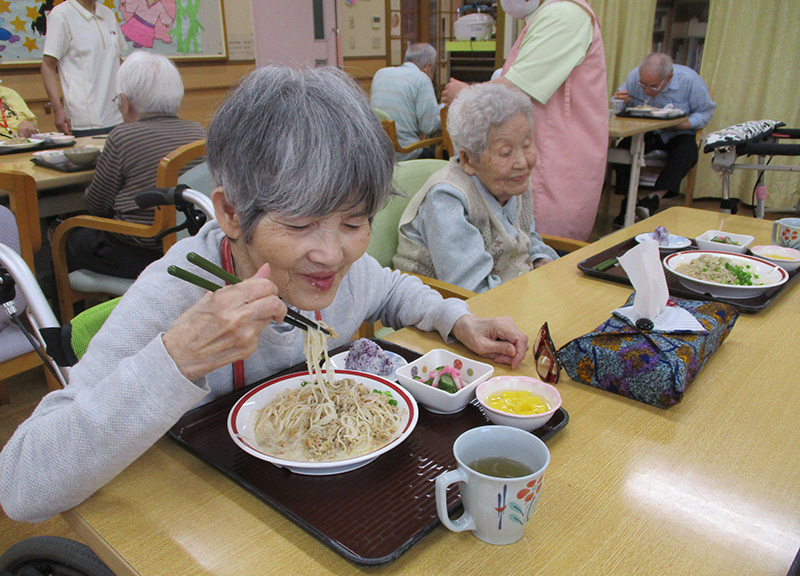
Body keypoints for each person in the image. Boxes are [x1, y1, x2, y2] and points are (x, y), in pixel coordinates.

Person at [0, 65, 529, 523]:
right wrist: (175, 359)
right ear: (230, 213)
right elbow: (21, 487)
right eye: (300, 225)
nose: (331, 254)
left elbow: (390, 286)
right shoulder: (177, 290)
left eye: (354, 221)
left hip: (334, 504)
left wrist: (458, 320)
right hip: (205, 519)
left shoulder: (344, 270)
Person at [442, 0, 608, 242]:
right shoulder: (446, 193)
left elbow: (514, 89)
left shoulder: (564, 15)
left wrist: (464, 94)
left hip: (554, 167)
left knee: (541, 249)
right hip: (536, 164)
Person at [393, 84, 558, 293]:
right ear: (468, 159)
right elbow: (472, 288)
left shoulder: (513, 182)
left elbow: (526, 237)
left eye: (526, 145)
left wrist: (540, 259)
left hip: (512, 294)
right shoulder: (447, 198)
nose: (522, 162)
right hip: (451, 309)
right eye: (505, 153)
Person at [65, 51, 206, 280]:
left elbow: (97, 205)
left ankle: (69, 313)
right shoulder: (198, 132)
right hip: (189, 247)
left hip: (140, 252)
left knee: (68, 237)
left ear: (126, 103)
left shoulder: (122, 137)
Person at [612, 52, 716, 226]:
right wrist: (618, 100)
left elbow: (706, 112)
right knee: (622, 151)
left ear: (669, 77)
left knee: (687, 152)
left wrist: (686, 123)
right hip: (646, 131)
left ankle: (653, 199)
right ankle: (629, 202)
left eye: (652, 86)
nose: (646, 90)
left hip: (679, 132)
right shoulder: (635, 76)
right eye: (642, 84)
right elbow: (617, 105)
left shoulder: (690, 81)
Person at [41, 0, 127, 136]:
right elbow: (48, 66)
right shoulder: (60, 14)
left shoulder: (108, 13)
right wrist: (57, 109)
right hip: (84, 120)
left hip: (118, 116)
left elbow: (118, 60)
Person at [370, 43, 441, 161]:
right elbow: (429, 127)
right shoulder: (421, 79)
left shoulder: (380, 74)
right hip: (406, 153)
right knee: (444, 154)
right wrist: (446, 112)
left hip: (379, 151)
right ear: (428, 67)